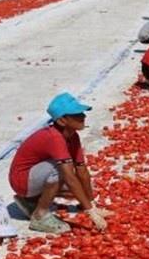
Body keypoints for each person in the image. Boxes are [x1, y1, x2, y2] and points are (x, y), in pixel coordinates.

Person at [9, 92, 110, 235]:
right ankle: (40, 215)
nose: (83, 117)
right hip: (21, 180)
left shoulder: (73, 136)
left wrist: (90, 204)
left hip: (35, 177)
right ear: (62, 120)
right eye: (76, 114)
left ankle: (30, 201)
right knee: (59, 170)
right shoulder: (54, 138)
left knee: (75, 187)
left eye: (82, 113)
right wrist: (90, 213)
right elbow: (68, 176)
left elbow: (82, 170)